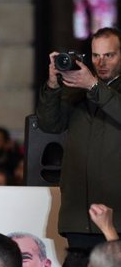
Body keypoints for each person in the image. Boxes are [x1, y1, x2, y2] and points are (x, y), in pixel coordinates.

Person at [36, 27, 121, 250]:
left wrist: (93, 86)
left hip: (117, 215)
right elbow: (48, 124)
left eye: (109, 55)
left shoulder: (90, 86)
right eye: (95, 56)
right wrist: (54, 85)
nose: (101, 62)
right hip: (78, 216)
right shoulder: (77, 90)